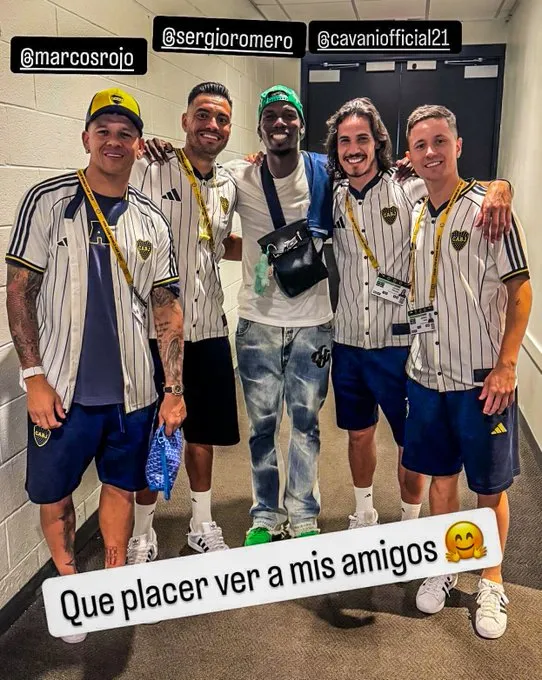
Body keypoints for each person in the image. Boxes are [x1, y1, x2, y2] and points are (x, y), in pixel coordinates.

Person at [5, 88, 185, 643]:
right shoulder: (47, 200)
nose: (113, 141)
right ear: (86, 137)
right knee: (55, 495)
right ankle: (69, 586)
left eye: (125, 132)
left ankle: (108, 584)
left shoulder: (152, 220)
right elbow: (19, 291)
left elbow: (166, 309)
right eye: (103, 130)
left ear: (137, 144)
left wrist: (173, 388)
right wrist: (34, 377)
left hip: (133, 393)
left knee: (120, 489)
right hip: (60, 391)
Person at [325, 98, 514, 530]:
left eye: (362, 139)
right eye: (344, 141)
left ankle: (410, 524)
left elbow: (458, 185)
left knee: (410, 444)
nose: (353, 149)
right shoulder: (331, 196)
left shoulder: (408, 187)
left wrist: (502, 186)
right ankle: (364, 513)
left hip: (399, 343)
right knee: (358, 433)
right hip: (348, 341)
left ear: (378, 143)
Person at [402, 104, 531, 638]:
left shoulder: (489, 210)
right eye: (420, 145)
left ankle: (491, 580)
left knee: (489, 488)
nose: (431, 152)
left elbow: (520, 291)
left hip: (482, 382)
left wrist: (507, 366)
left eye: (440, 142)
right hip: (427, 375)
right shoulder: (412, 206)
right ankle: (446, 564)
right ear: (409, 156)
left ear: (457, 146)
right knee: (441, 479)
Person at [128, 82, 241, 561]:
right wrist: (138, 144)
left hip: (210, 327)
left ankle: (201, 523)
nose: (211, 125)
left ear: (229, 127)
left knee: (203, 434)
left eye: (221, 118)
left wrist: (273, 252)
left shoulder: (229, 185)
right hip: (155, 334)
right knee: (153, 433)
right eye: (203, 115)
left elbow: (220, 244)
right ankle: (142, 532)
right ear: (185, 121)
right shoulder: (150, 168)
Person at [227, 86, 334, 545]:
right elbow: (195, 173)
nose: (279, 122)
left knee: (306, 424)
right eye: (270, 115)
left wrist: (498, 187)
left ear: (301, 125)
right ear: (259, 126)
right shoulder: (240, 176)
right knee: (263, 427)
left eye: (288, 114)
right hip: (258, 323)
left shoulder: (326, 170)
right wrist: (155, 149)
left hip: (313, 322)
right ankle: (266, 515)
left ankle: (304, 513)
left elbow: (379, 175)